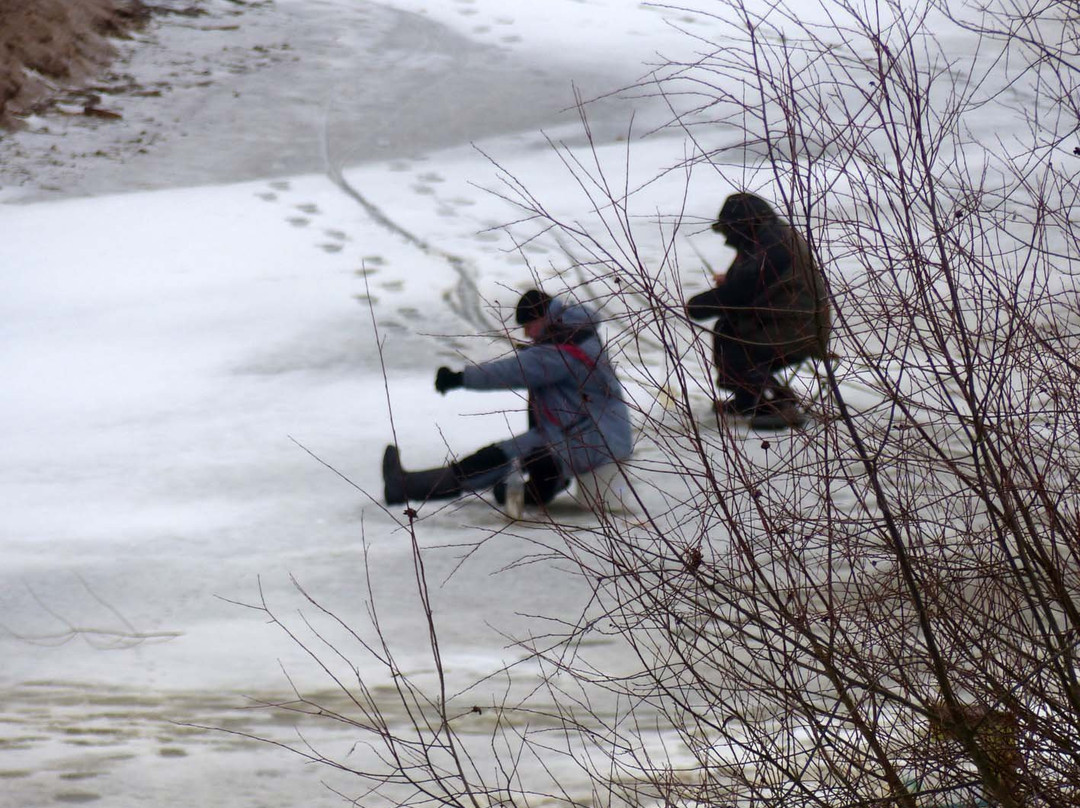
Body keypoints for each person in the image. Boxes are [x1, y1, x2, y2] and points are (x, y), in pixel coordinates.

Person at [383, 289, 634, 507]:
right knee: (499, 456)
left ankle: (405, 487)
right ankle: (537, 488)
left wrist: (459, 378)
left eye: (528, 326)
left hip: (592, 440)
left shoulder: (560, 350)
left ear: (542, 318)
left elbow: (513, 371)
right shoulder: (575, 335)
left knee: (504, 461)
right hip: (580, 432)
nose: (527, 334)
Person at [686, 192, 830, 428]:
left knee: (733, 339)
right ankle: (748, 399)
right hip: (790, 323)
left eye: (728, 230)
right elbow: (754, 281)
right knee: (728, 328)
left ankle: (775, 405)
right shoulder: (772, 237)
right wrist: (729, 280)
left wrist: (697, 306)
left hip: (798, 332)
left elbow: (743, 291)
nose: (726, 238)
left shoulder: (775, 245)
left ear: (743, 225)